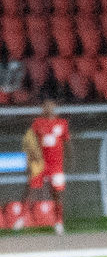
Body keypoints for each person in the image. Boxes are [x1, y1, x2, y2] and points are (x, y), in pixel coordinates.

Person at [19, 99, 70, 234]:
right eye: (45, 107)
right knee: (30, 189)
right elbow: (30, 143)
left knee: (57, 193)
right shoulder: (38, 123)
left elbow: (68, 143)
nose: (48, 109)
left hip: (56, 166)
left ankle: (58, 222)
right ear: (42, 109)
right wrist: (30, 161)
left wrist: (70, 160)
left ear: (55, 108)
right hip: (40, 164)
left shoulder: (62, 123)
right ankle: (21, 218)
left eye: (50, 106)